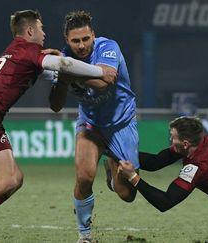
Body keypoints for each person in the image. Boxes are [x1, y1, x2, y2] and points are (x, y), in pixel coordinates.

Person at [0, 9, 116, 243]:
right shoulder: (29, 50)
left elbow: (55, 72)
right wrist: (100, 71)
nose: (44, 33)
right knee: (6, 180)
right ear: (30, 30)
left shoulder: (17, 52)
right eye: (41, 28)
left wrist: (70, 75)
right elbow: (63, 64)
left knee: (15, 178)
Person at [48, 10, 139, 243]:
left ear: (93, 36)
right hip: (90, 123)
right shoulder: (64, 59)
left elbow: (105, 81)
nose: (81, 46)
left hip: (122, 123)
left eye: (85, 39)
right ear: (67, 41)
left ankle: (112, 167)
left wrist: (69, 73)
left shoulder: (108, 46)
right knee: (85, 177)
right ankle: (85, 236)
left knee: (126, 194)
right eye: (75, 41)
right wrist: (60, 77)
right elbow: (56, 106)